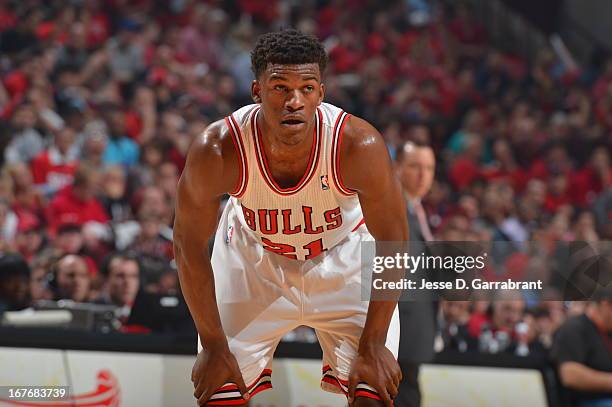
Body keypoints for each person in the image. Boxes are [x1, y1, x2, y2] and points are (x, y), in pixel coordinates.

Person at [174, 29, 408, 407]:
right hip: (253, 263)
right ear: (257, 91)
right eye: (280, 87)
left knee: (373, 391)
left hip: (344, 262)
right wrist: (213, 345)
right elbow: (187, 248)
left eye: (307, 88)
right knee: (220, 390)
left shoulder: (358, 145)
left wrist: (375, 343)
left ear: (321, 92)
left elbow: (394, 245)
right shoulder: (217, 149)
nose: (294, 101)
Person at [394, 139, 437, 407]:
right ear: (397, 168)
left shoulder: (416, 210)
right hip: (394, 336)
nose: (423, 175)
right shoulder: (391, 207)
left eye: (430, 168)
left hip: (410, 337)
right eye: (415, 167)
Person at [552, 289, 612, 407]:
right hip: (585, 401)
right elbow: (570, 375)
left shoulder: (608, 331)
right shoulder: (574, 328)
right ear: (605, 305)